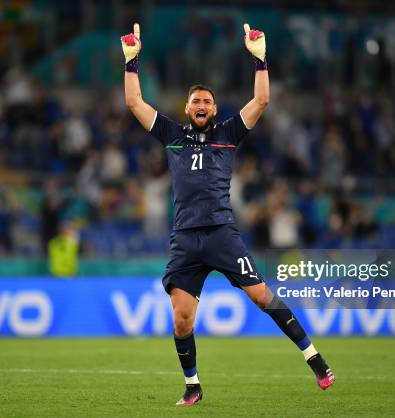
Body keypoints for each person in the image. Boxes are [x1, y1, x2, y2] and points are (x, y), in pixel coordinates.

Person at [121, 22, 334, 406]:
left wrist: (260, 60)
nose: (201, 106)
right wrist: (132, 63)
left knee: (261, 296)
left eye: (207, 102)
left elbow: (262, 101)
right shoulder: (171, 134)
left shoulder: (230, 132)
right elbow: (135, 103)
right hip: (185, 237)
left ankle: (314, 358)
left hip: (221, 231)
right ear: (186, 108)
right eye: (195, 102)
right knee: (182, 319)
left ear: (214, 109)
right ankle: (193, 386)